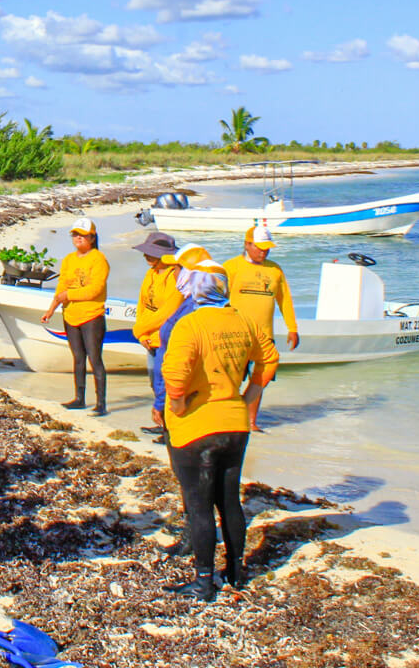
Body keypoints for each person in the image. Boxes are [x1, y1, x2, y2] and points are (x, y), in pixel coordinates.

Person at [161, 261, 279, 603]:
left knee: (199, 507)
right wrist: (250, 395)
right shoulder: (244, 319)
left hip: (197, 428)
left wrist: (179, 407)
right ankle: (236, 571)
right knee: (229, 502)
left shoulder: (190, 324)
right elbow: (269, 358)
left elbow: (175, 376)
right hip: (235, 424)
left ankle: (203, 582)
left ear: (195, 288)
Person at [223, 225, 300, 430]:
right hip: (236, 334)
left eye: (267, 249)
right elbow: (219, 299)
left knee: (260, 379)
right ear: (247, 244)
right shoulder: (231, 267)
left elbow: (284, 300)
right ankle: (228, 419)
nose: (263, 252)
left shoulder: (275, 270)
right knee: (231, 379)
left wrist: (292, 328)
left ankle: (251, 421)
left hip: (265, 336)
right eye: (259, 248)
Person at [40, 217, 110, 415]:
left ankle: (101, 403)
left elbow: (95, 290)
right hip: (70, 315)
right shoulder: (69, 259)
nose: (78, 238)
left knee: (95, 358)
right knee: (78, 357)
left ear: (92, 237)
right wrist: (52, 308)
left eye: (82, 235)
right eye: (75, 234)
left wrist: (68, 295)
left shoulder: (99, 259)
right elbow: (62, 285)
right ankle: (79, 398)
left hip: (91, 316)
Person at [150, 244, 211, 440]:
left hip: (181, 400)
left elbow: (178, 363)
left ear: (190, 273)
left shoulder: (194, 309)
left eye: (176, 269)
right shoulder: (193, 303)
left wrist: (161, 402)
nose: (173, 274)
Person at [131, 231, 182, 431]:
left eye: (152, 253)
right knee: (155, 384)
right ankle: (163, 423)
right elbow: (142, 305)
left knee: (167, 385)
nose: (146, 256)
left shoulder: (175, 277)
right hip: (149, 339)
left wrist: (137, 330)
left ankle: (171, 428)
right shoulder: (150, 273)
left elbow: (167, 313)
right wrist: (142, 334)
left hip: (166, 340)